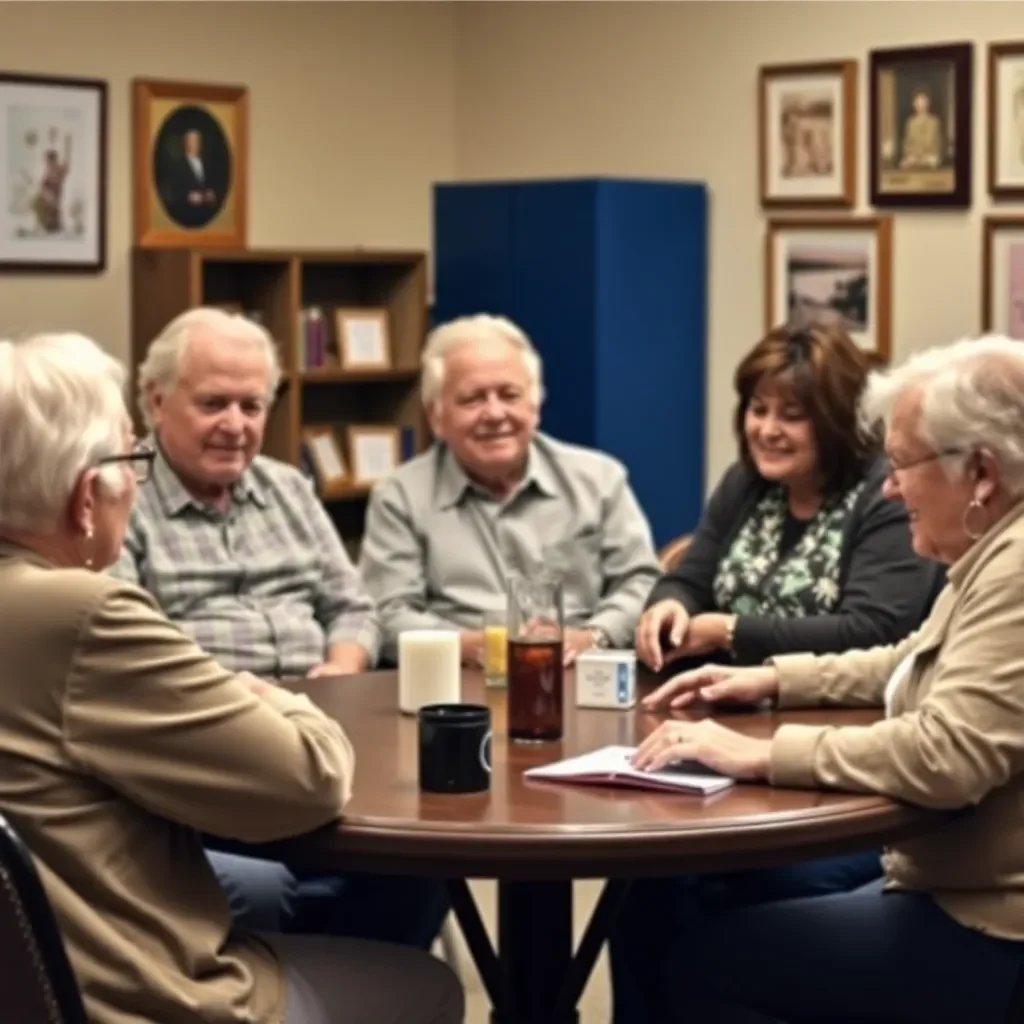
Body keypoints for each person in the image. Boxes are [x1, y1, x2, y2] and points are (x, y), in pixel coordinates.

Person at [0, 331, 463, 1024]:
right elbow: (309, 776)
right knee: (425, 983)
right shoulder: (83, 612)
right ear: (84, 497)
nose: (137, 478)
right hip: (133, 992)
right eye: (132, 459)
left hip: (44, 964)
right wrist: (285, 700)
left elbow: (350, 607)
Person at [634, 334, 1024, 1023]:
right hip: (950, 885)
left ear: (983, 474)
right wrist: (771, 681)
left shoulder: (1016, 572)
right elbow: (908, 658)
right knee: (673, 905)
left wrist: (758, 753)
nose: (891, 485)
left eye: (903, 465)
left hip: (987, 925)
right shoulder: (994, 554)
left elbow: (945, 756)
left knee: (708, 962)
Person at [110, 306, 447, 951]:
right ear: (155, 401)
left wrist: (344, 668)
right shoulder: (124, 494)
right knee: (290, 881)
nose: (235, 426)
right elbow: (132, 642)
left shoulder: (289, 487)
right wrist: (252, 698)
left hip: (330, 734)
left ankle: (363, 986)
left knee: (430, 851)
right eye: (214, 403)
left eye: (252, 405)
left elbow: (353, 606)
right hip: (211, 750)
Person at [359, 313, 662, 667]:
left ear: (535, 405)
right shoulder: (400, 496)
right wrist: (468, 645)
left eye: (509, 395)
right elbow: (388, 612)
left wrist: (594, 636)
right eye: (472, 399)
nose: (495, 413)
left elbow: (641, 582)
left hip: (582, 675)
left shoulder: (599, 480)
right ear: (436, 416)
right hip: (459, 684)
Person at [900, 86, 942, 169]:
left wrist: (925, 157)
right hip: (913, 159)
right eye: (917, 101)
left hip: (929, 158)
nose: (920, 104)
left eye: (923, 101)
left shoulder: (934, 122)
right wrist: (911, 156)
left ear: (928, 102)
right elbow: (907, 144)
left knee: (933, 160)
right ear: (914, 103)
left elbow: (936, 144)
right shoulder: (910, 122)